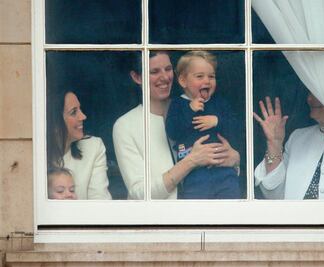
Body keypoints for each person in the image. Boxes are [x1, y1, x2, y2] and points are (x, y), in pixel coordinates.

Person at [113, 51, 240, 200]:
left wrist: (235, 160)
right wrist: (191, 161)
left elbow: (233, 136)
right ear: (137, 77)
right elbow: (139, 193)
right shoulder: (125, 125)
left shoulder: (196, 106)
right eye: (154, 71)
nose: (165, 77)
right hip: (160, 219)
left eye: (168, 69)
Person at [165, 51, 241, 199]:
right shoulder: (178, 104)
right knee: (197, 210)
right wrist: (190, 110)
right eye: (199, 76)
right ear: (183, 81)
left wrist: (218, 121)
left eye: (211, 76)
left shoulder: (220, 103)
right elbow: (172, 130)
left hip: (224, 169)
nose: (207, 81)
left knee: (231, 207)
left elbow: (237, 128)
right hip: (195, 172)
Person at [254, 94, 324, 199]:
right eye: (308, 93)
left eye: (316, 93)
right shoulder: (298, 137)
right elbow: (273, 194)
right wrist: (274, 145)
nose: (309, 99)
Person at [47, 90, 112, 200]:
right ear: (55, 121)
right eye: (73, 112)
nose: (83, 116)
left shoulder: (93, 147)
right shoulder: (36, 154)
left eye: (80, 110)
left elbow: (100, 203)